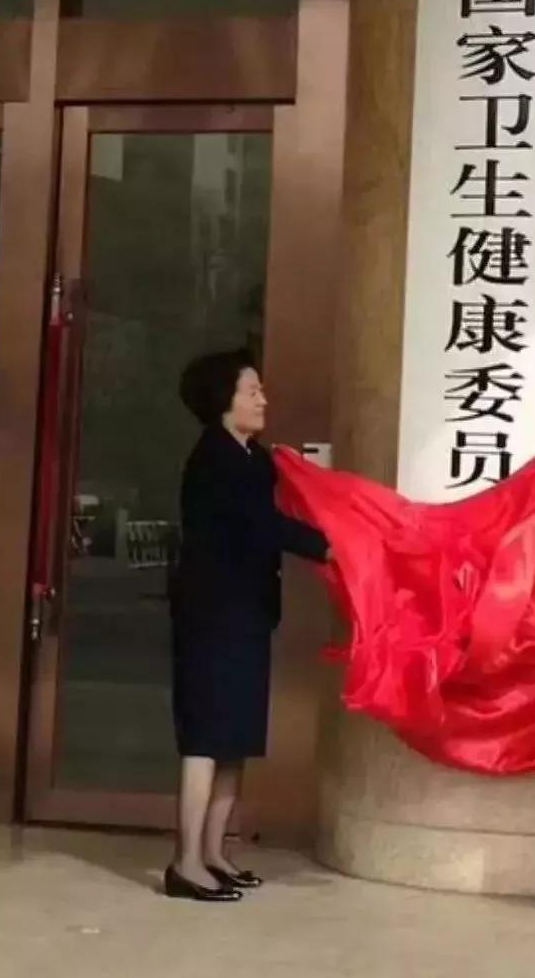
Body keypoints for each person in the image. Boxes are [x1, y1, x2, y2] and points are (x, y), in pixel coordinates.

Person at [166, 350, 330, 903]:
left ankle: (215, 853)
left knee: (233, 739)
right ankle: (186, 863)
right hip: (210, 617)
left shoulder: (253, 459)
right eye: (252, 391)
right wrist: (330, 546)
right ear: (224, 400)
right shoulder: (213, 459)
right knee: (205, 739)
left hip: (246, 615)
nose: (263, 400)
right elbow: (264, 526)